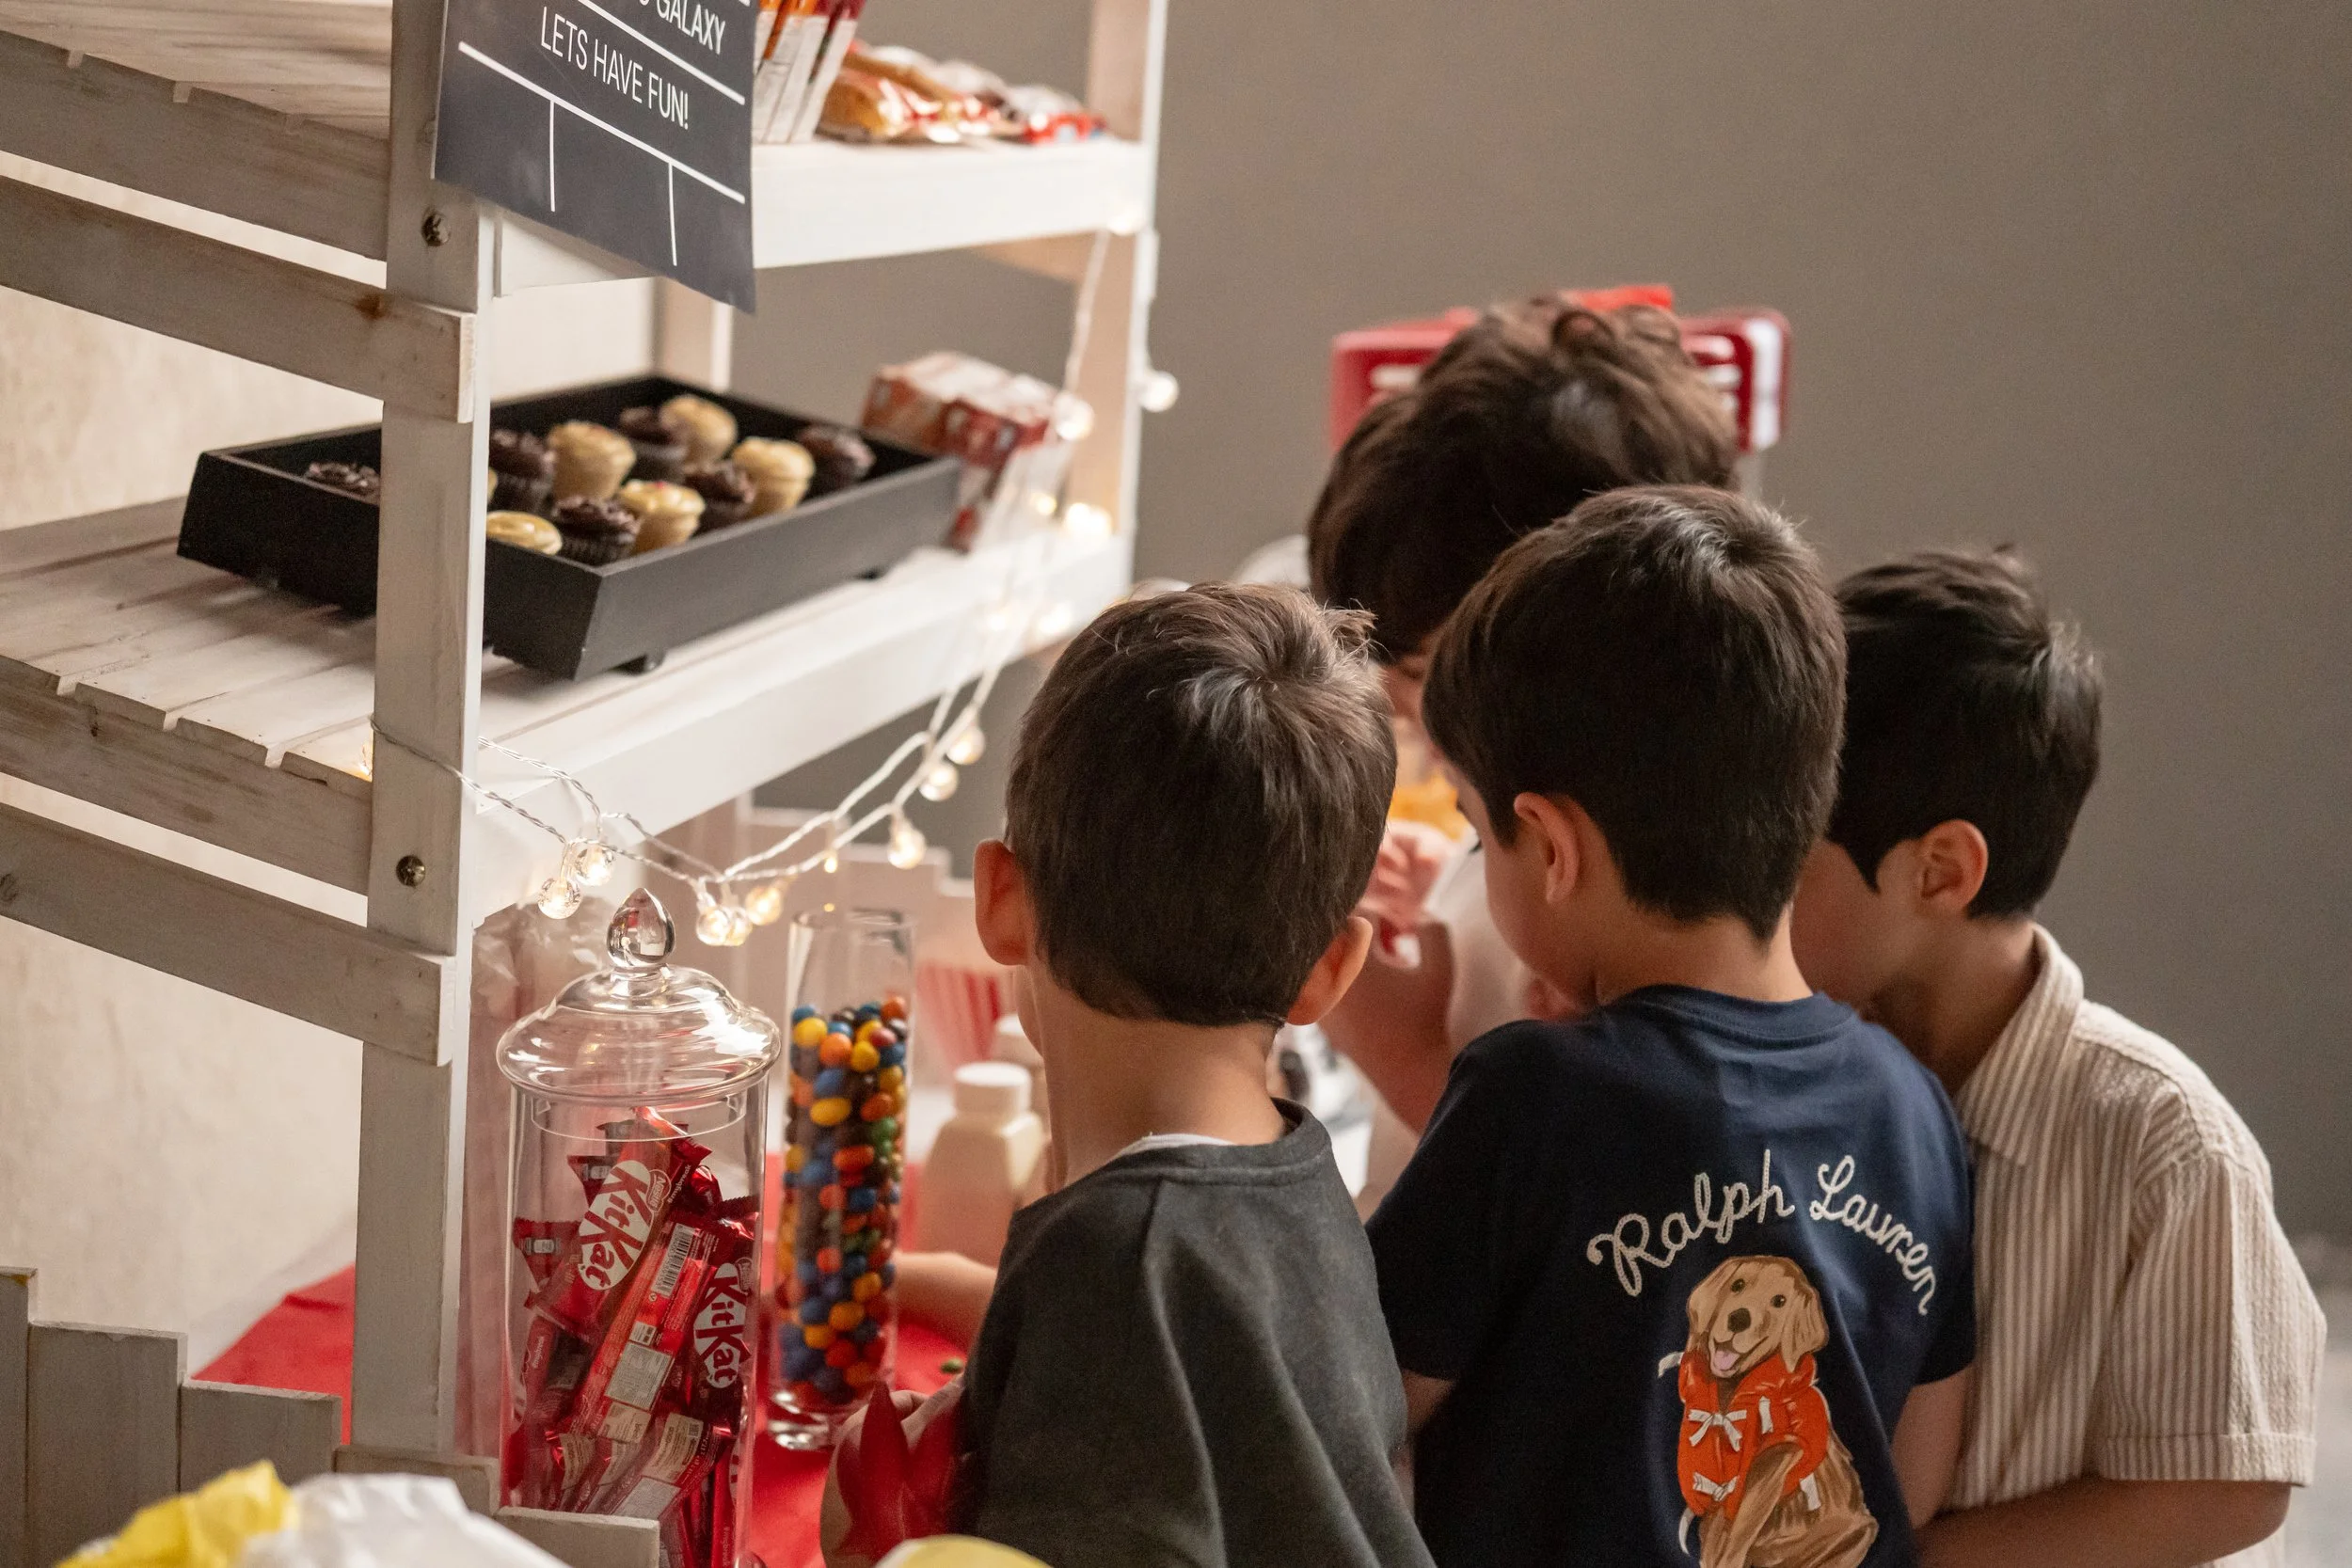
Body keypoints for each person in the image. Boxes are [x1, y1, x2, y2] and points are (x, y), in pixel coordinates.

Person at [1370, 487, 1977, 1567]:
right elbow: (1912, 1477)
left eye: (1475, 829)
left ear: (1550, 847)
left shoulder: (1528, 1093)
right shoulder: (1911, 1103)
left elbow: (1348, 1407)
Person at [824, 583, 1433, 1568]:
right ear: (1332, 969)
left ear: (999, 902)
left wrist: (888, 1537)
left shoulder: (1119, 1255)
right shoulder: (1294, 1179)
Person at [1788, 548, 2325, 1568]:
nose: (1753, 882)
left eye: (1787, 853)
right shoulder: (1806, 1078)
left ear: (1940, 869)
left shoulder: (2163, 1140)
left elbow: (2228, 1485)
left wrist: (1913, 1559)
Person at [1308, 296, 1740, 1137]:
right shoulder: (1566, 835)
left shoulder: (1636, 920)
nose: (1428, 743)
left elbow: (1561, 1198)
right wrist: (1449, 877)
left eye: (1434, 680)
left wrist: (1383, 1031)